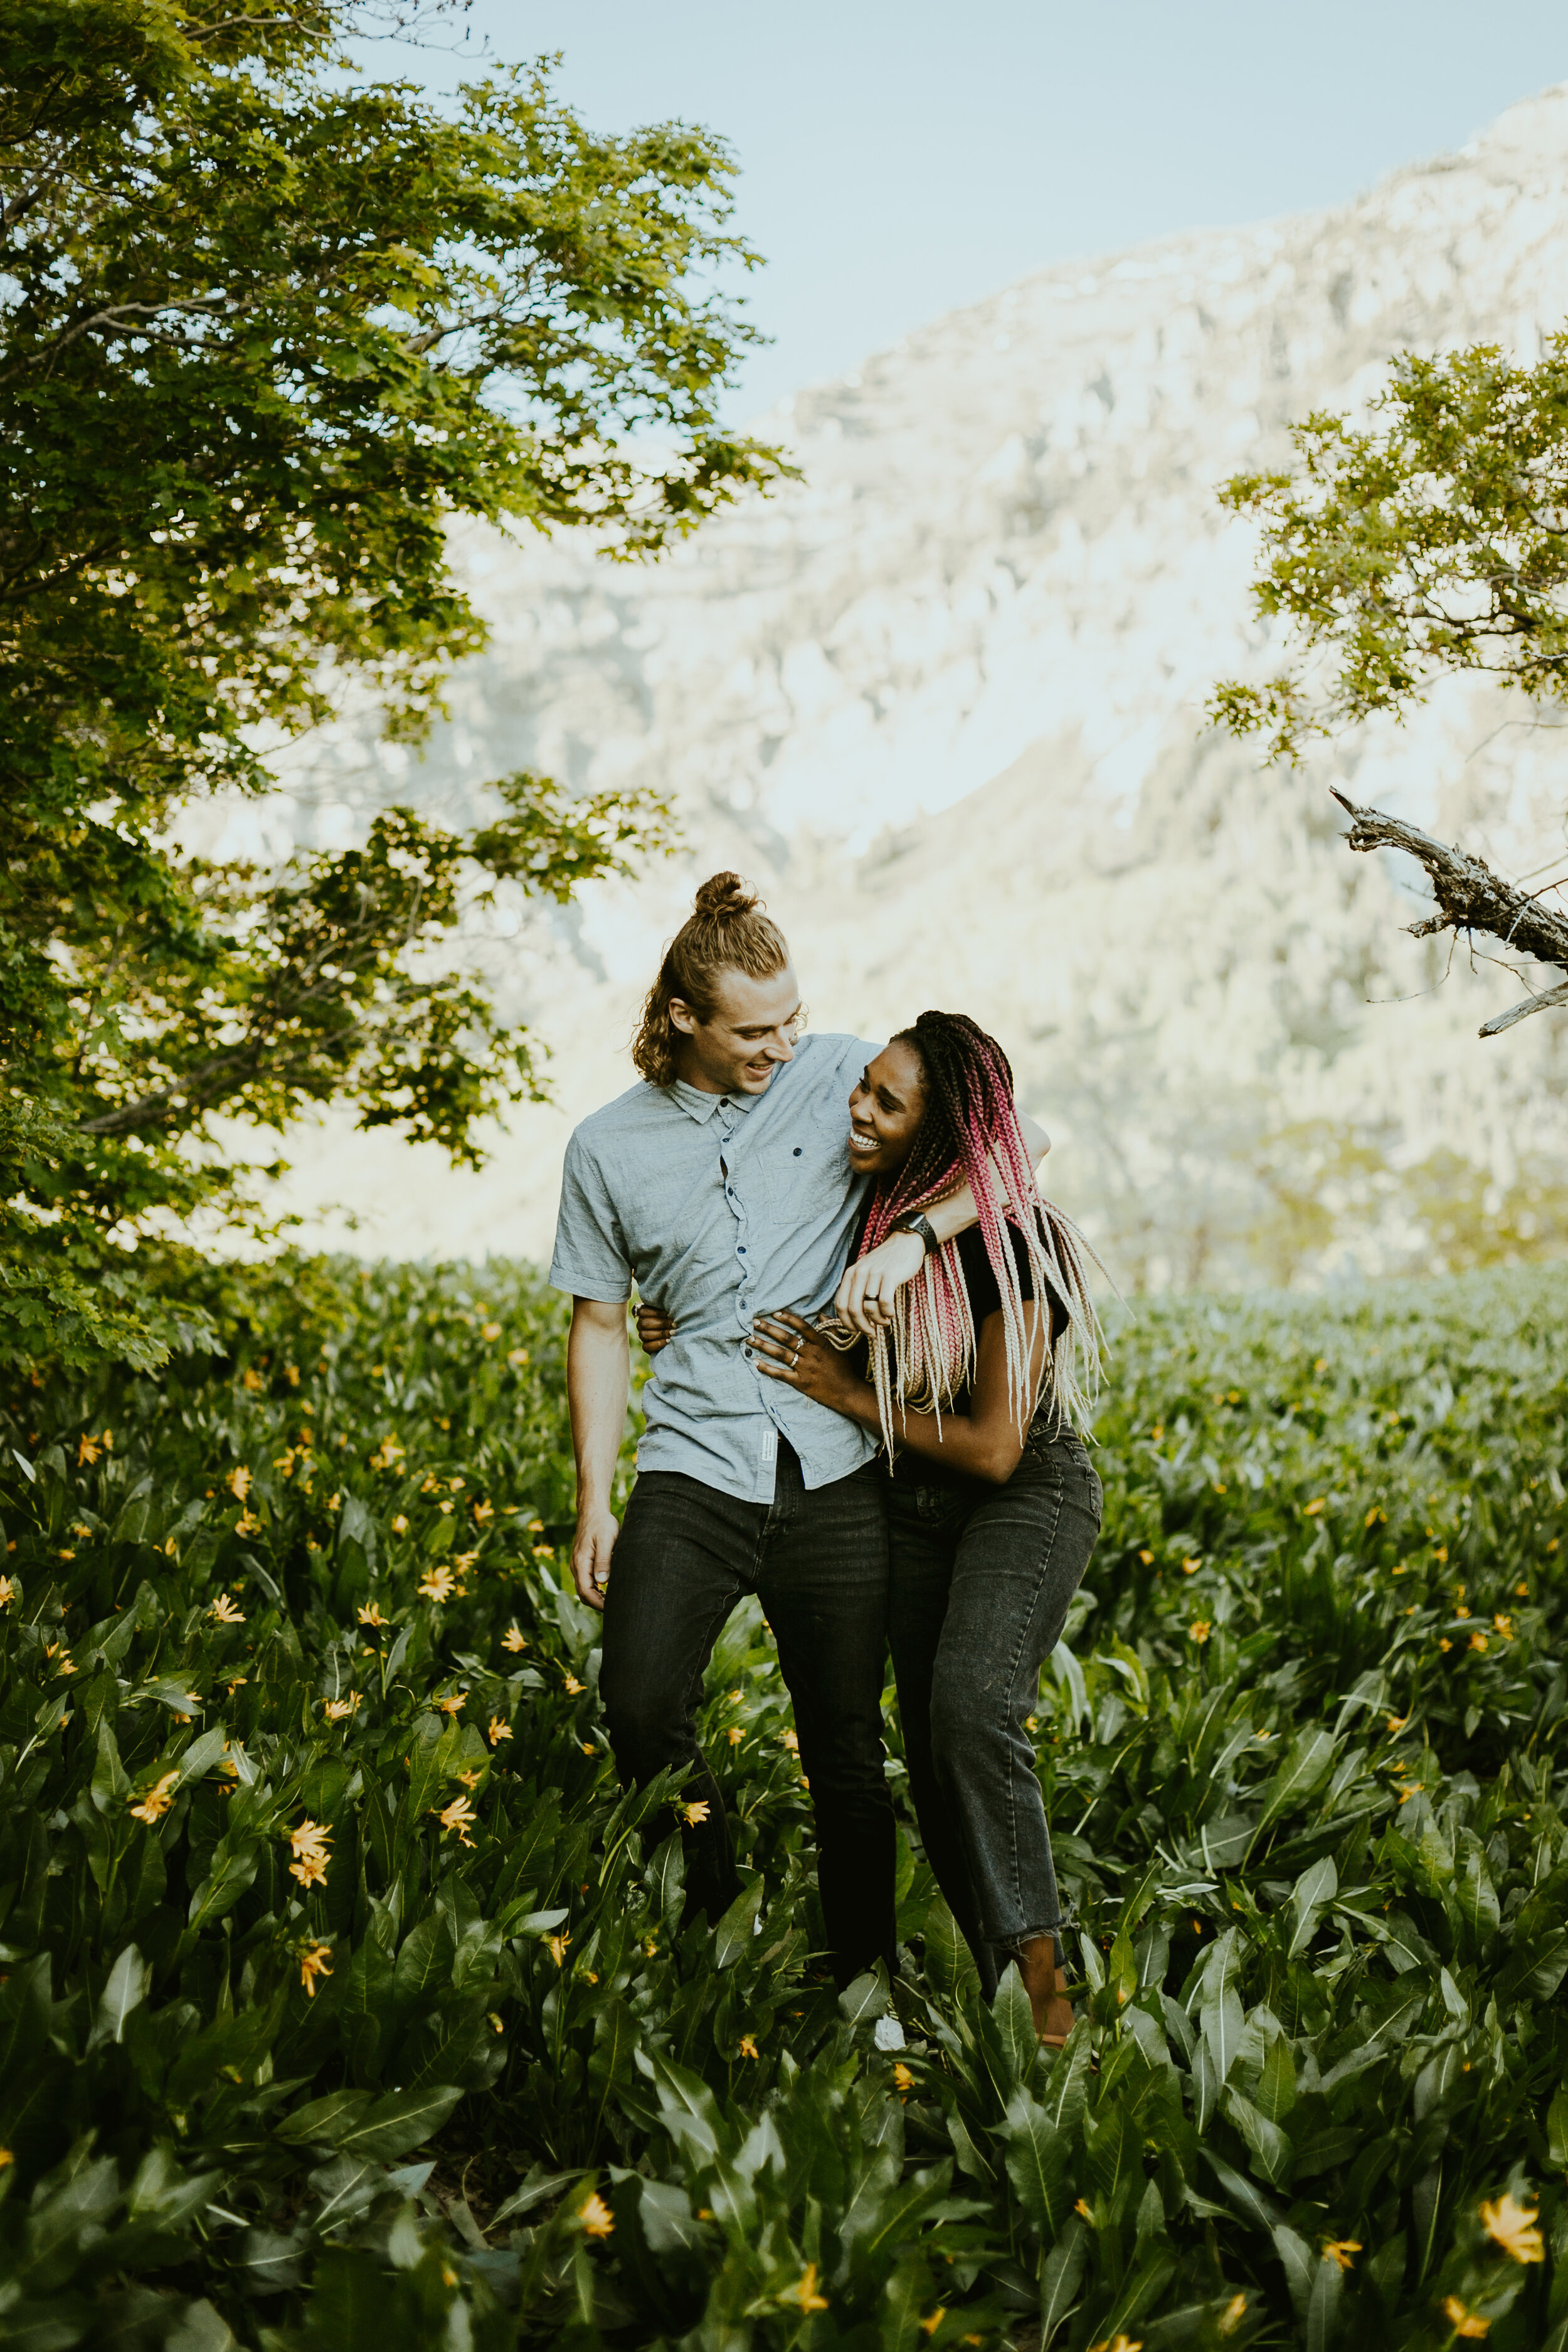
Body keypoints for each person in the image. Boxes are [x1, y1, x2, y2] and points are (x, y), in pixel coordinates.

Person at [548, 877, 1047, 1991]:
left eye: (792, 1016)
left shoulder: (840, 1076)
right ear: (683, 1017)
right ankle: (721, 1924)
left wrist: (915, 1239)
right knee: (638, 1705)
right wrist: (594, 1497)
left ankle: (859, 1984)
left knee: (846, 1754)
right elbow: (597, 1322)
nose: (786, 1041)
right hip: (693, 1462)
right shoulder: (605, 1148)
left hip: (833, 1469)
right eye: (756, 1028)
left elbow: (1024, 1139)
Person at [642, 1010, 1103, 2044]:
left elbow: (993, 1446)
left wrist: (850, 1392)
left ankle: (1047, 1995)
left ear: (940, 1136)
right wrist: (673, 1306)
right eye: (864, 1086)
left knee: (973, 1708)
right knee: (932, 1751)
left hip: (1023, 1490)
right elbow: (747, 1237)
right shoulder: (873, 1205)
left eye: (887, 1104)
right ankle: (997, 1983)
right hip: (909, 1498)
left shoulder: (1011, 1240)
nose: (858, 1106)